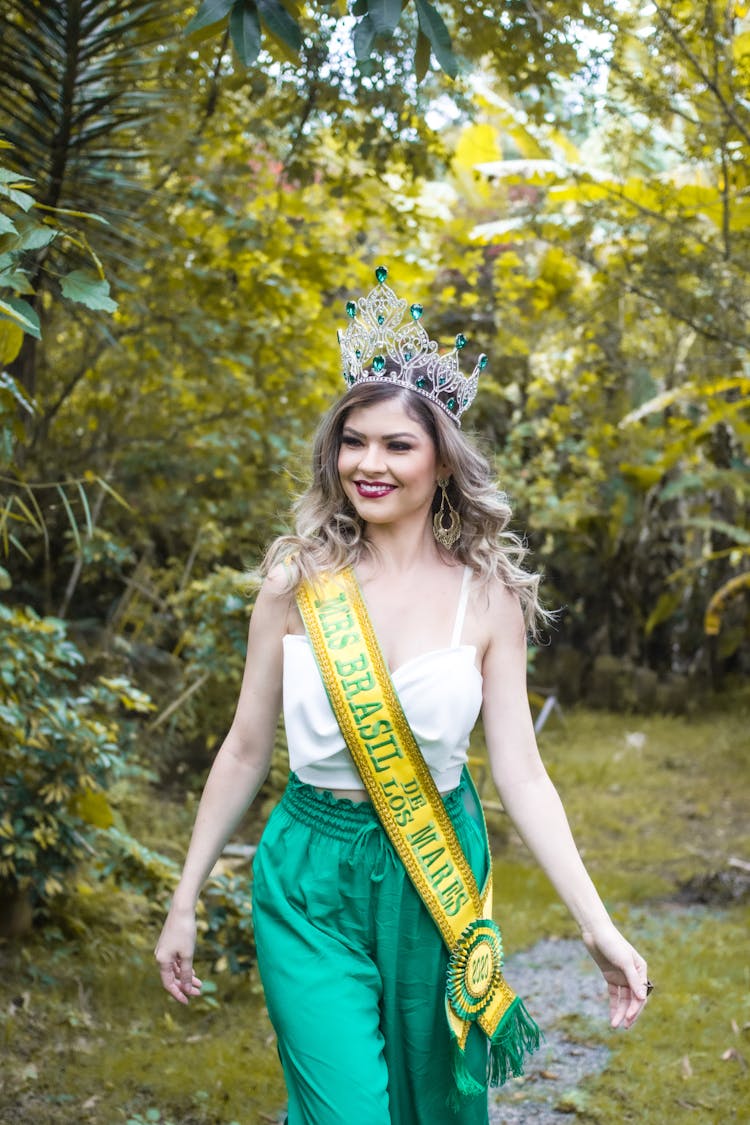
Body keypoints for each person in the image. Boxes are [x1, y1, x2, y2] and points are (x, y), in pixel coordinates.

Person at [155, 266, 650, 1125]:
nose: (368, 464)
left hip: (437, 869)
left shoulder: (487, 597)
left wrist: (596, 923)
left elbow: (523, 775)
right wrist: (184, 895)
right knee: (347, 1110)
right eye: (353, 441)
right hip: (309, 872)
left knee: (434, 1108)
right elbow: (244, 747)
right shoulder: (294, 581)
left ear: (442, 461)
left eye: (396, 444)